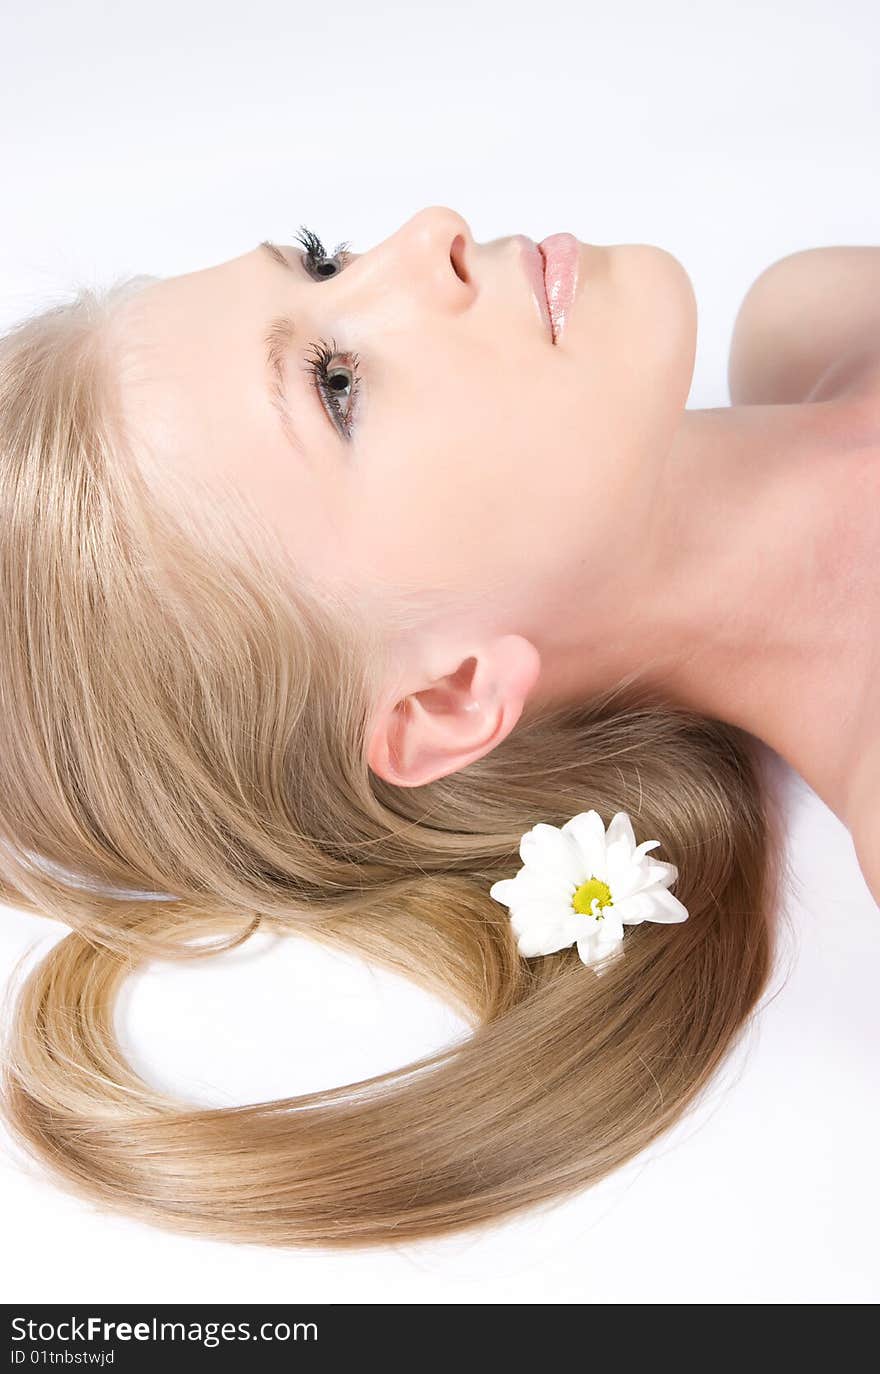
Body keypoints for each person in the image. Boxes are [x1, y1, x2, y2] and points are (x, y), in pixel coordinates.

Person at [0, 206, 876, 1247]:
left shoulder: (814, 313)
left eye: (323, 259)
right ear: (447, 702)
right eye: (336, 386)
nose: (430, 235)